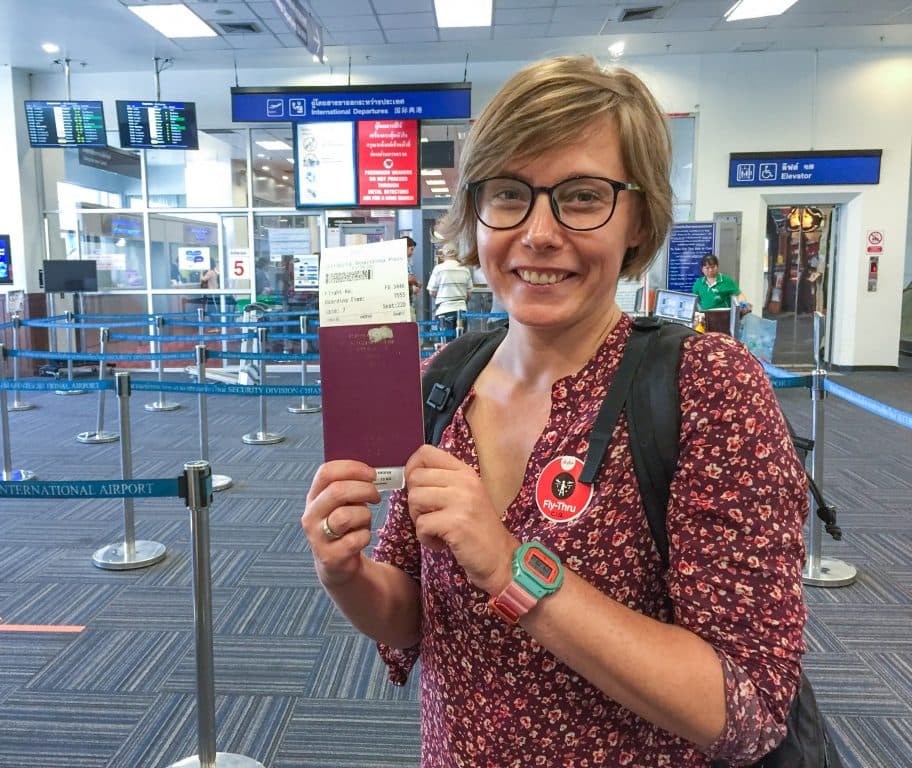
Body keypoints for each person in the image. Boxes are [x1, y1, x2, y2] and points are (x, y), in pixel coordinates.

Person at [303, 55, 810, 767]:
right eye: (509, 194)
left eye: (580, 197)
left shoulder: (707, 388)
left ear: (637, 220)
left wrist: (511, 566)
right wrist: (345, 575)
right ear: (476, 216)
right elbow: (414, 610)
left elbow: (744, 706)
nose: (538, 233)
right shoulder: (442, 382)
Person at [426, 242, 472, 337]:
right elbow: (469, 294)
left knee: (446, 345)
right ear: (457, 254)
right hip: (462, 310)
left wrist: (443, 294)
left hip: (444, 311)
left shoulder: (438, 269)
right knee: (461, 342)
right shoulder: (465, 269)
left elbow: (432, 292)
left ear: (444, 254)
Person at [405, 236, 421, 321]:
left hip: (409, 303)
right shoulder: (399, 262)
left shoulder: (407, 262)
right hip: (404, 306)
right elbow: (409, 279)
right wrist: (416, 283)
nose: (412, 253)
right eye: (411, 249)